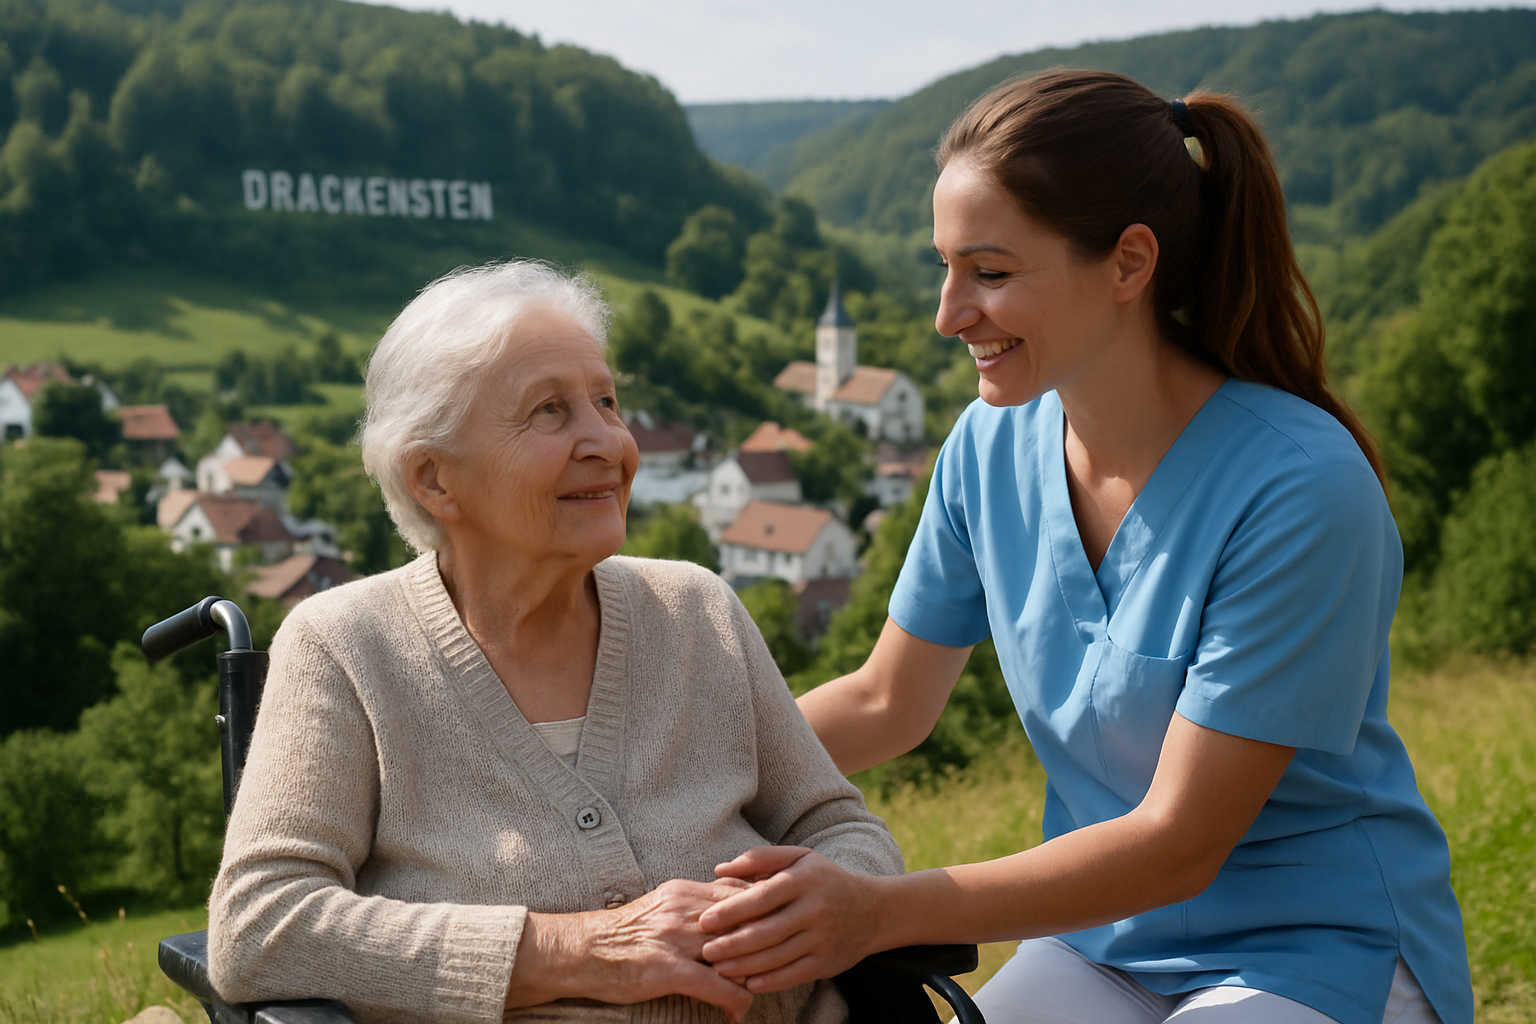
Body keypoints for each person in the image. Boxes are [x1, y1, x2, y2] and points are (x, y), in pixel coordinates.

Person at [695, 71, 1474, 1024]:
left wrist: (882, 913)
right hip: (1107, 940)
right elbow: (888, 700)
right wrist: (683, 773)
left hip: (1314, 948)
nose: (948, 314)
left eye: (989, 272)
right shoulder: (987, 451)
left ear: (1128, 263)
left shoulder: (1301, 487)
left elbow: (1180, 841)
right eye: (942, 268)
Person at [206, 261, 903, 1024]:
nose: (606, 439)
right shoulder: (347, 647)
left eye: (606, 401)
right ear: (435, 479)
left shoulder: (698, 610)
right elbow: (261, 925)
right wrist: (581, 948)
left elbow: (840, 830)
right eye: (549, 411)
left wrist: (818, 902)